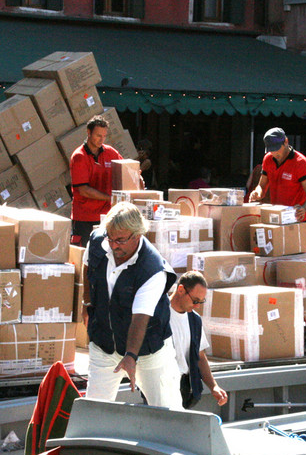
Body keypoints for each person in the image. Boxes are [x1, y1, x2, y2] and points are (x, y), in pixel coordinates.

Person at [82, 202, 181, 409]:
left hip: (148, 350)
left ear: (137, 235)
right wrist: (87, 303)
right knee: (94, 410)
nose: (113, 244)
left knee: (167, 410)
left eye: (120, 240)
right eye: (110, 237)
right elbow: (87, 265)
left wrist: (130, 356)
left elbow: (140, 317)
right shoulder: (99, 241)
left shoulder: (153, 270)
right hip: (104, 342)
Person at [168, 271, 227, 410]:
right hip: (161, 386)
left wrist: (214, 387)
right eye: (195, 301)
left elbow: (200, 356)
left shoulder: (194, 320)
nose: (197, 306)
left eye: (201, 302)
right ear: (181, 290)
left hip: (184, 389)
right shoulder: (159, 314)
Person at [70, 115, 121, 247]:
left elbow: (127, 169)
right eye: (98, 135)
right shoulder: (79, 156)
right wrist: (110, 198)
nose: (101, 139)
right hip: (84, 218)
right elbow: (84, 190)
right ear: (88, 132)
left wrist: (137, 178)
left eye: (104, 136)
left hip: (106, 217)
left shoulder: (111, 153)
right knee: (84, 256)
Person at [248, 127, 306, 221]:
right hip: (278, 216)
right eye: (271, 149)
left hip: (298, 217)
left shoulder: (301, 162)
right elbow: (262, 186)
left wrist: (304, 208)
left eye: (276, 148)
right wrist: (257, 192)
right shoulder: (268, 159)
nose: (274, 152)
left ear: (286, 141)